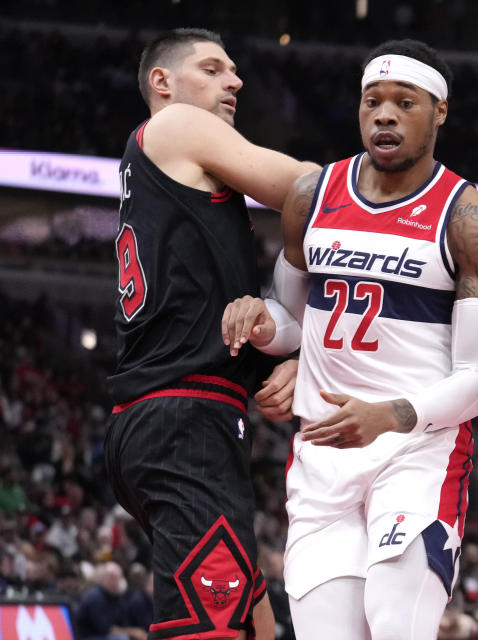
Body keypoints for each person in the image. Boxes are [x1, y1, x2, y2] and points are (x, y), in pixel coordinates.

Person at [223, 39, 478, 638]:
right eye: (372, 101)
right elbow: (293, 320)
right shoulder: (313, 196)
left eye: (404, 102)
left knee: (395, 624)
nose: (384, 114)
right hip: (323, 454)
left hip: (417, 452)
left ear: (440, 111)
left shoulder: (470, 219)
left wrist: (390, 415)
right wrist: (260, 319)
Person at [102, 28, 315, 639]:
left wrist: (296, 348)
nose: (236, 81)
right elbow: (308, 189)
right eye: (214, 68)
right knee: (209, 629)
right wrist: (404, 193)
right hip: (184, 419)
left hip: (171, 415)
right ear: (162, 84)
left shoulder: (162, 170)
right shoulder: (174, 126)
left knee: (257, 626)